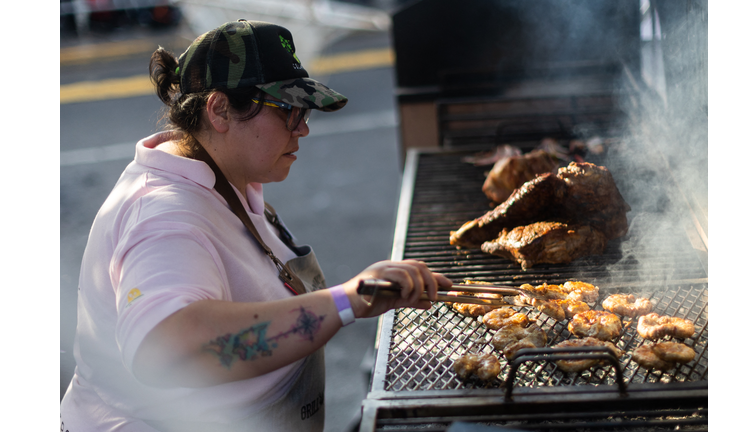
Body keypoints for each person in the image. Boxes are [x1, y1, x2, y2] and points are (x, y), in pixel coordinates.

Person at [60, 19, 451, 432]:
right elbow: (167, 348)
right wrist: (346, 301)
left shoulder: (223, 178)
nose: (303, 127)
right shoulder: (163, 215)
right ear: (219, 110)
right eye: (288, 111)